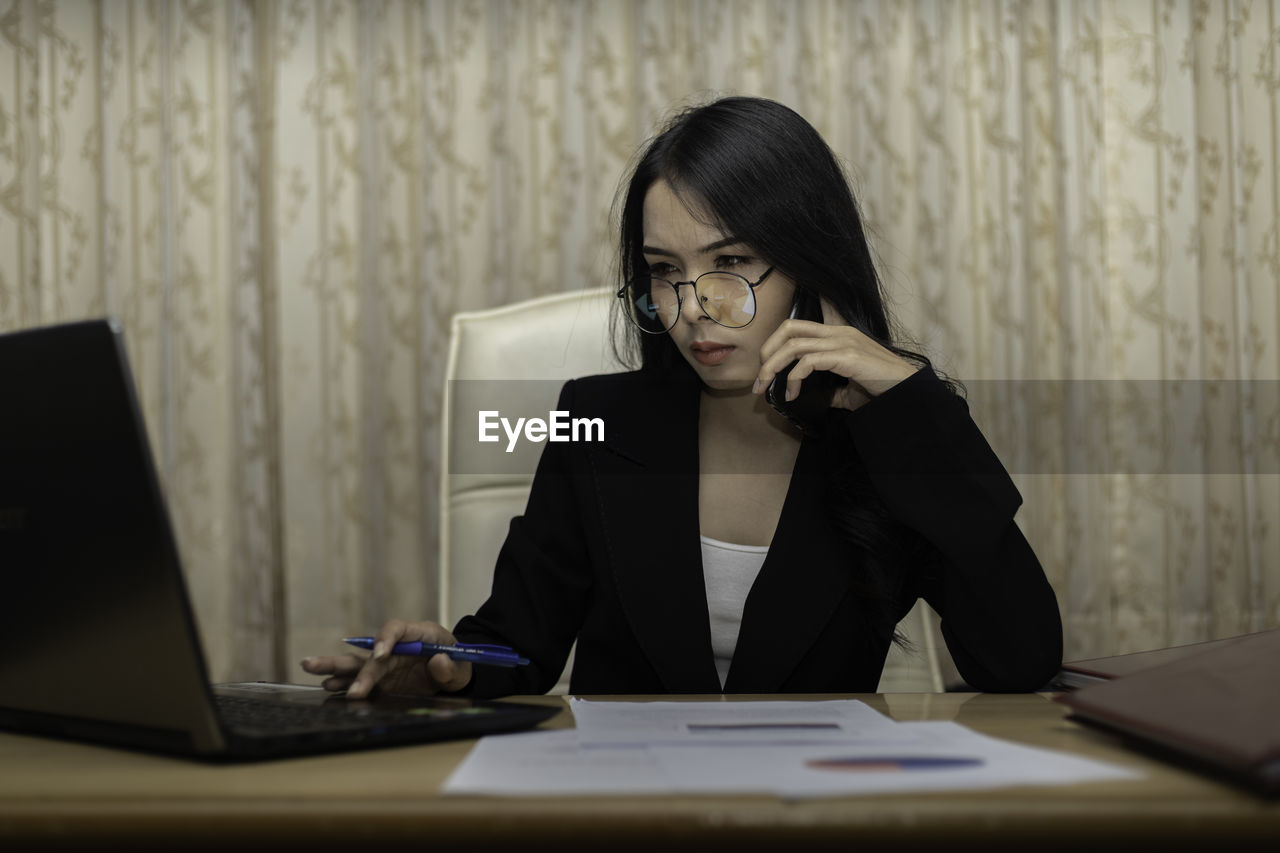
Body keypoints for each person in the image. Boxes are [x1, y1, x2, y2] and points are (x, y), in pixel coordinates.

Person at [301, 96, 1063, 699]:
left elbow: (1018, 660)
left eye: (731, 261)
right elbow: (519, 647)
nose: (692, 306)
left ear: (810, 265)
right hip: (628, 810)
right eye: (664, 271)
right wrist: (446, 665)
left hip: (817, 811)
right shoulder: (598, 419)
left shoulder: (886, 432)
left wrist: (913, 406)